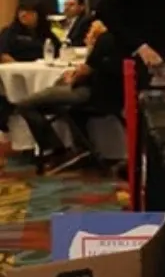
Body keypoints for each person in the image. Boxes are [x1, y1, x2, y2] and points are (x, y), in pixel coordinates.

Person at [11, 21, 117, 173]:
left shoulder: (104, 41)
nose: (87, 36)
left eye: (90, 33)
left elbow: (87, 70)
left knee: (25, 105)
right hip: (105, 92)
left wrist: (72, 78)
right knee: (54, 103)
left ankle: (54, 148)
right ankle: (79, 148)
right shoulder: (121, 41)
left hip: (86, 91)